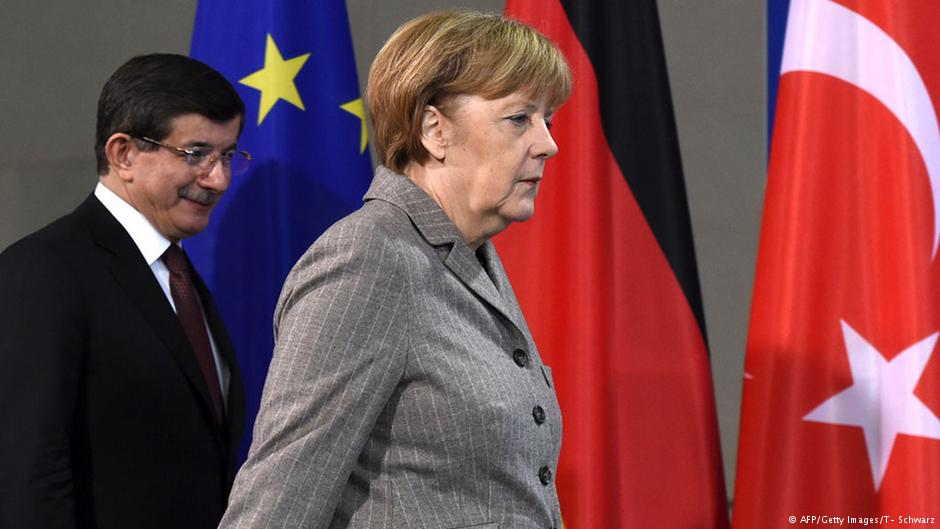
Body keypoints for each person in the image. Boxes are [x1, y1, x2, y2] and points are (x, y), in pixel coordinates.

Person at [220, 10, 571, 529]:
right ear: (434, 130)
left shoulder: (472, 259)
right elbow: (278, 500)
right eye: (519, 118)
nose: (548, 143)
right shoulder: (370, 260)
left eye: (548, 120)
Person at [0, 53, 250, 529]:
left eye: (228, 156)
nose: (218, 179)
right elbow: (25, 475)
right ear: (123, 154)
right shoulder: (44, 272)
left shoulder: (181, 276)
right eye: (196, 154)